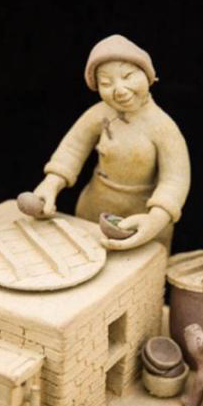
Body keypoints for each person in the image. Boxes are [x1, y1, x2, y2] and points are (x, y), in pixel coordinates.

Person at [33, 34, 190, 251]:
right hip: (93, 209)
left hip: (142, 218)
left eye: (128, 76)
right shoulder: (99, 114)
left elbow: (175, 180)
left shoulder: (163, 127)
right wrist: (52, 182)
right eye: (106, 83)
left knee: (138, 265)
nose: (120, 90)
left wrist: (157, 218)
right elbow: (72, 148)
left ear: (147, 75)